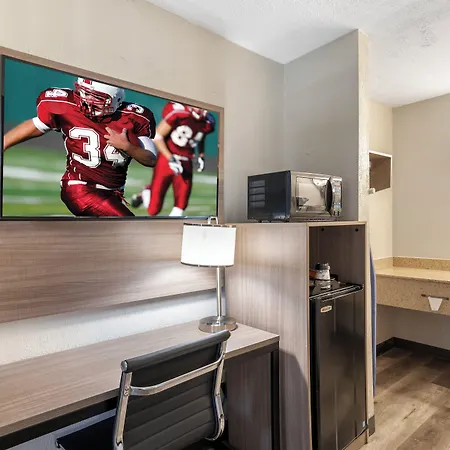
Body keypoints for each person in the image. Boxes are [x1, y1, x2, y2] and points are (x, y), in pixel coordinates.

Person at [3, 78, 157, 217]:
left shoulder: (133, 118)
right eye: (85, 93)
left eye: (96, 97)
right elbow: (38, 125)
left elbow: (151, 159)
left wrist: (127, 147)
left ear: (115, 100)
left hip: (112, 193)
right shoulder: (67, 106)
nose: (87, 100)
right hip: (79, 188)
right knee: (129, 226)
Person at [130, 101, 215, 217]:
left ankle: (173, 226)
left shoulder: (208, 122)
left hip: (186, 160)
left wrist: (201, 154)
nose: (202, 110)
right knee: (154, 210)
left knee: (181, 206)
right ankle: (147, 193)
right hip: (167, 159)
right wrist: (170, 158)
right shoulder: (179, 113)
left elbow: (200, 135)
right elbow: (158, 136)